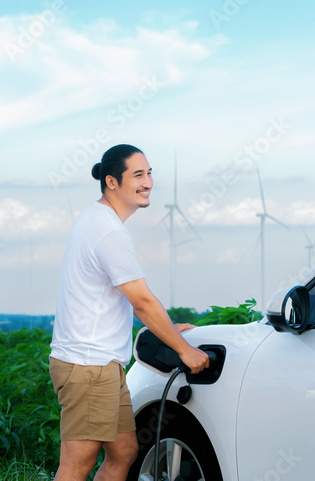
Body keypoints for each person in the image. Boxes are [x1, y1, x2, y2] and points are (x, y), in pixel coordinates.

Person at [49, 144, 210, 481]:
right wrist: (184, 350)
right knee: (77, 465)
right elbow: (142, 301)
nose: (147, 182)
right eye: (138, 175)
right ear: (112, 181)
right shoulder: (108, 231)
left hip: (103, 365)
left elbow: (117, 302)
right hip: (88, 366)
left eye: (149, 173)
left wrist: (165, 329)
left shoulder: (98, 219)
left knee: (123, 452)